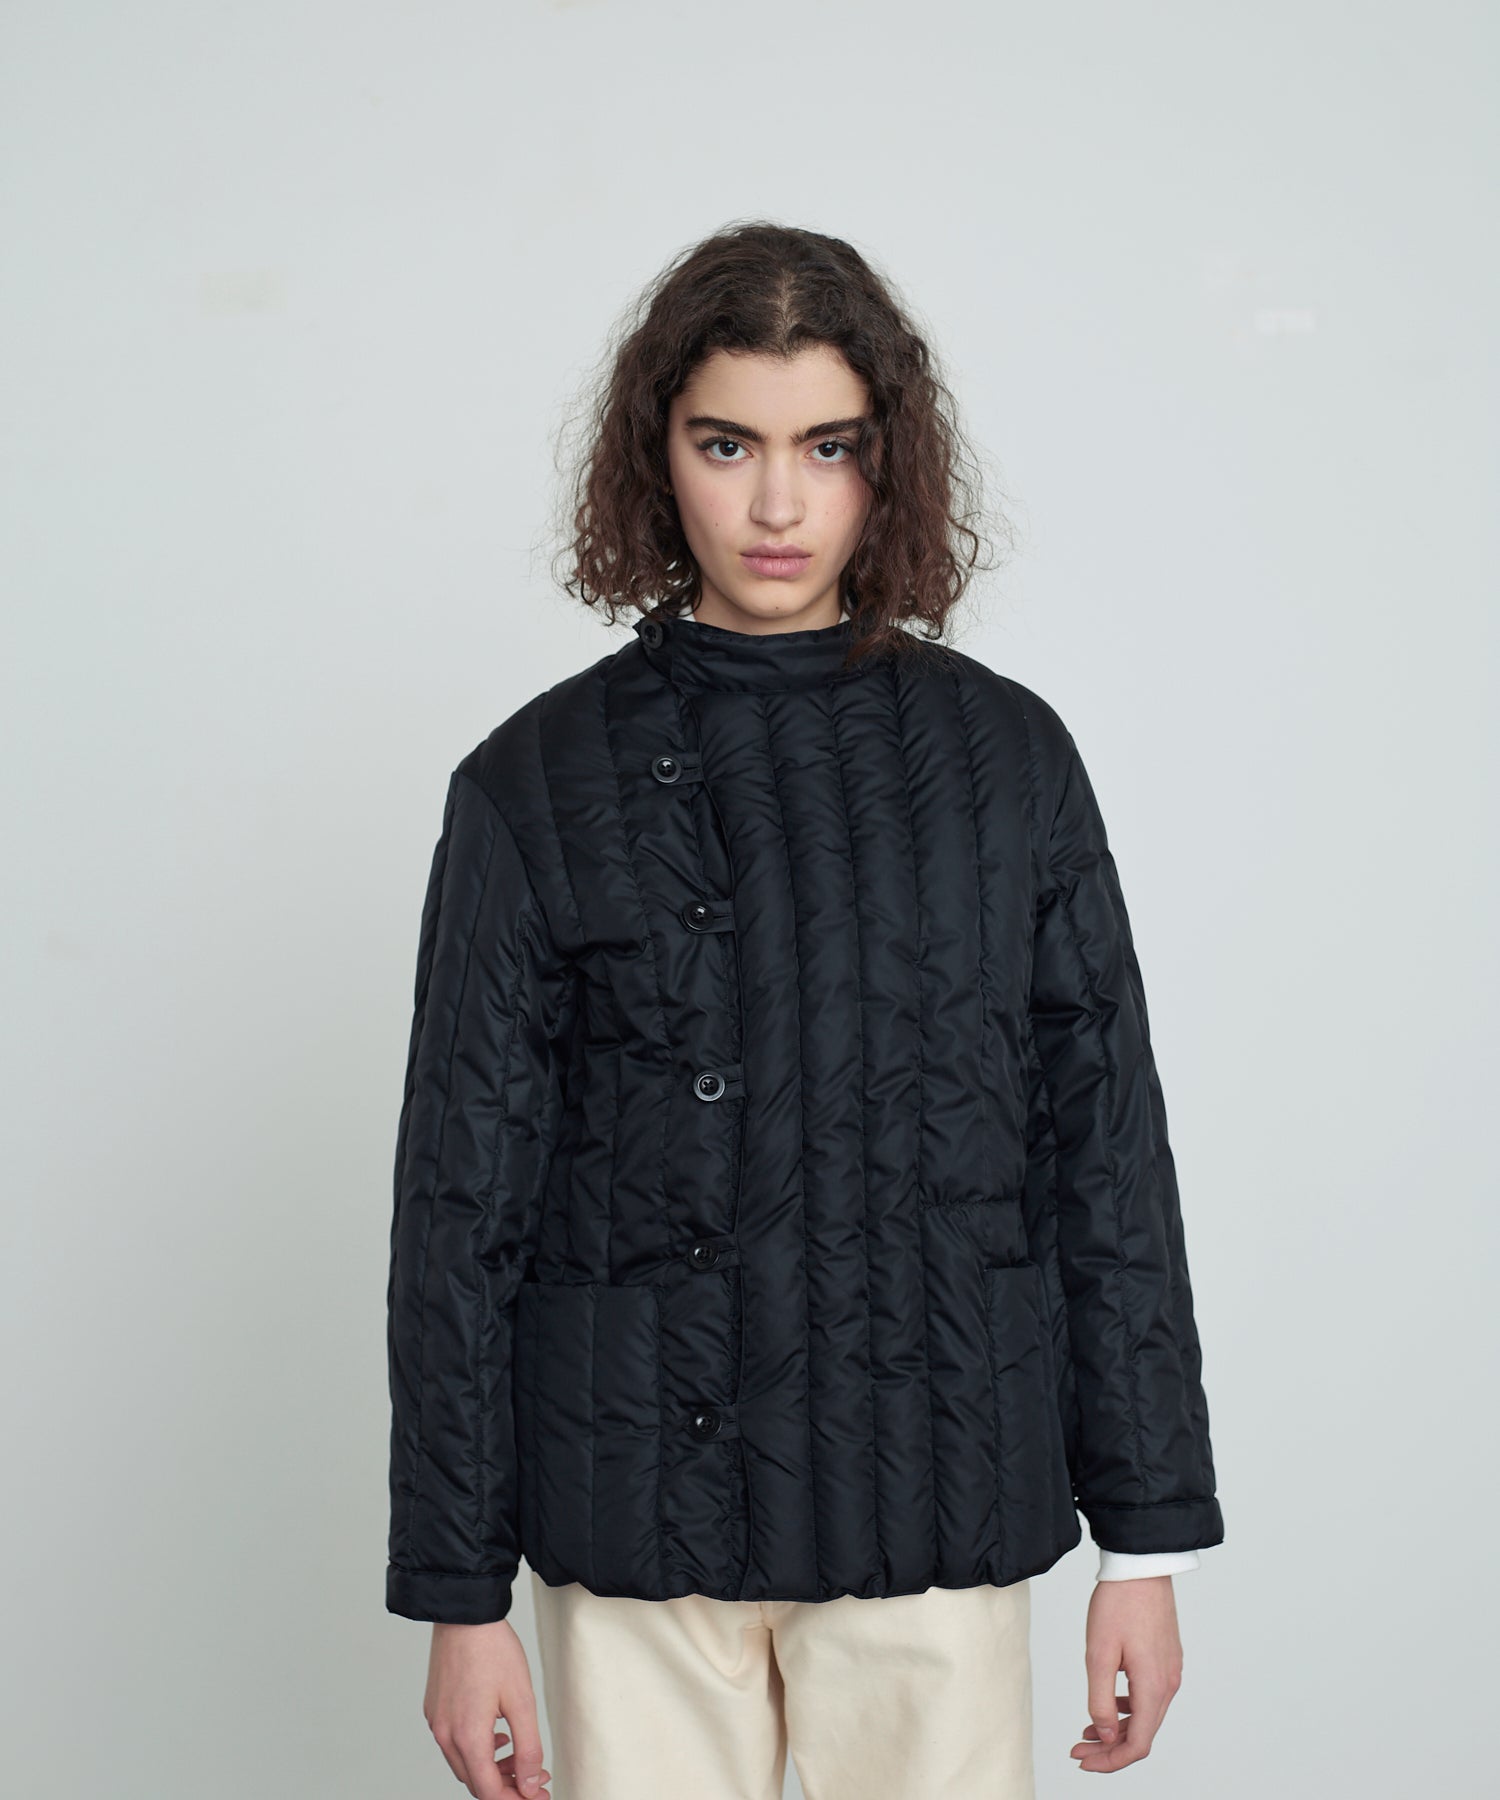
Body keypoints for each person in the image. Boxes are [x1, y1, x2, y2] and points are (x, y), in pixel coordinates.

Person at [385, 221, 1223, 1799]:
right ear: (658, 459)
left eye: (827, 446)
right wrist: (457, 1593)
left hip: (935, 1504)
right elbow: (460, 1209)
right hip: (639, 1518)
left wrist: (1148, 1542)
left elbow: (1104, 1156)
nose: (777, 506)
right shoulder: (532, 784)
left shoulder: (1006, 764)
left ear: (888, 464)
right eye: (729, 445)